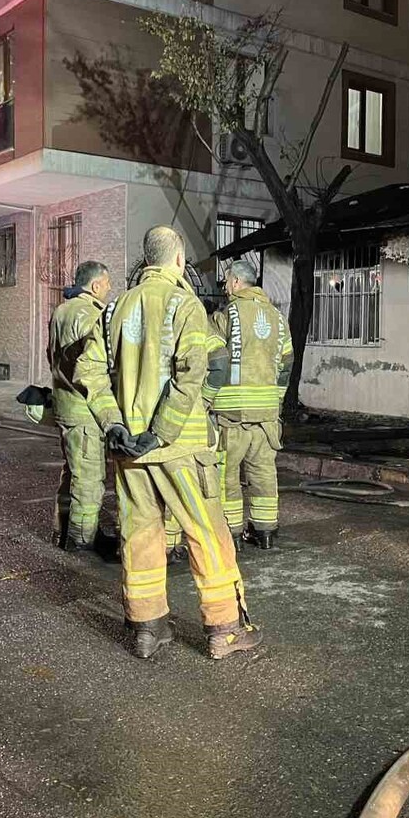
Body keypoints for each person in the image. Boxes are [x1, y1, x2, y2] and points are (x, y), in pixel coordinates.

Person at [74, 226, 262, 660]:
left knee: (140, 532)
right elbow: (193, 372)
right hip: (180, 448)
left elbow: (90, 372)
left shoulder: (113, 309)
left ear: (146, 260)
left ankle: (148, 629)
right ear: (177, 260)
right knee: (206, 535)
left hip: (128, 451)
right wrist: (162, 432)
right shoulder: (186, 305)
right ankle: (225, 631)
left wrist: (113, 423)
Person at [207, 259, 293, 551]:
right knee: (264, 473)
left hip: (232, 415)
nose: (225, 288)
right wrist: (277, 399)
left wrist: (208, 398)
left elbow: (215, 360)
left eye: (226, 282)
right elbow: (287, 363)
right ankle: (265, 531)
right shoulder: (278, 318)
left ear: (234, 282)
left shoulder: (226, 315)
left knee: (226, 475)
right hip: (267, 415)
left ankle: (230, 533)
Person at [46, 260, 113, 551]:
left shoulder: (61, 311)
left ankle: (61, 530)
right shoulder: (90, 314)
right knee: (88, 478)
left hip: (64, 403)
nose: (109, 289)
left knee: (72, 471)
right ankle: (82, 539)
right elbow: (92, 365)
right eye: (107, 284)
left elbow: (52, 356)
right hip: (84, 407)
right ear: (96, 284)